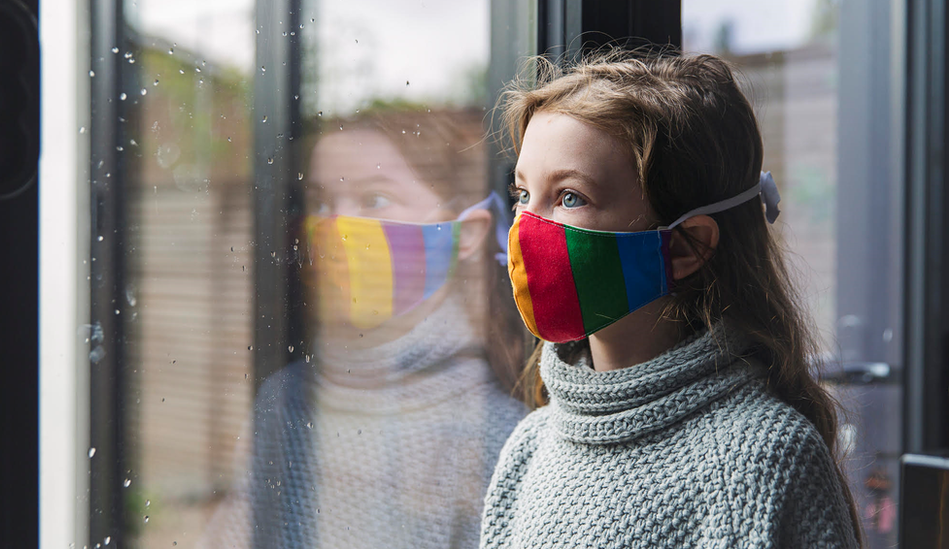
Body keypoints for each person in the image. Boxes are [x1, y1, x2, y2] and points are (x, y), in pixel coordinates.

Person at [479, 51, 863, 548]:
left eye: (570, 196)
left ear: (685, 246)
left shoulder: (765, 460)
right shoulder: (528, 449)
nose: (526, 226)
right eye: (522, 193)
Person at [224, 108, 528, 549]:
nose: (335, 227)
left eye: (375, 200)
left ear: (467, 234)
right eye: (321, 203)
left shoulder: (498, 432)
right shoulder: (283, 400)